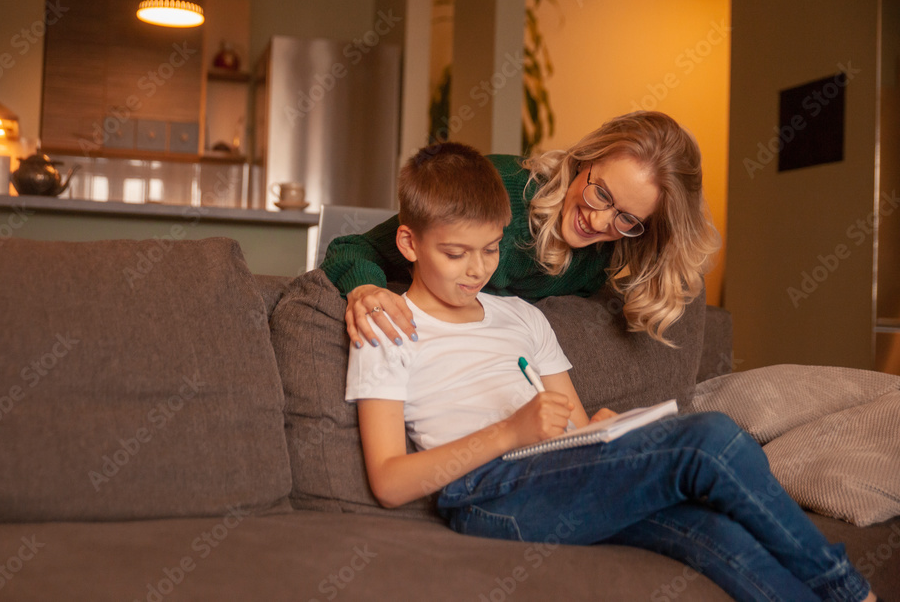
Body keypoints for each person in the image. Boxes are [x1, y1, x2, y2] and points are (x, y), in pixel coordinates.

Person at [345, 142, 876, 602]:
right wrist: (510, 431)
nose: (478, 269)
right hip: (485, 496)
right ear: (410, 244)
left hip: (560, 477)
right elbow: (390, 482)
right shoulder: (385, 322)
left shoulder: (523, 316)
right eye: (456, 253)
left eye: (489, 249)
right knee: (710, 438)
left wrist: (601, 431)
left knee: (716, 532)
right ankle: (848, 589)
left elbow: (574, 430)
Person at [321, 110, 721, 351]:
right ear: (584, 159)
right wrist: (366, 289)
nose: (599, 222)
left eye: (627, 219)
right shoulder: (498, 193)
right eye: (601, 193)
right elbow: (352, 247)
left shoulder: (611, 251)